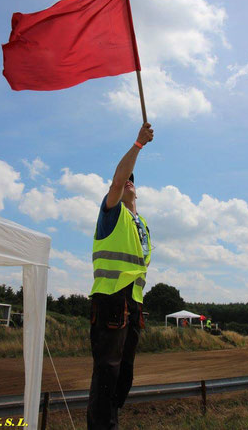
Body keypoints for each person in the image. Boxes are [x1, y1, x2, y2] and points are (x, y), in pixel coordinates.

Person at [87, 122, 154, 430]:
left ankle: (110, 420)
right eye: (125, 178)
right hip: (112, 298)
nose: (128, 181)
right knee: (107, 374)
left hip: (134, 303)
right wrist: (138, 145)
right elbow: (116, 181)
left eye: (132, 180)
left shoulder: (142, 225)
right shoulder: (112, 212)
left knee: (123, 376)